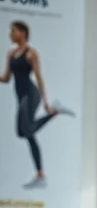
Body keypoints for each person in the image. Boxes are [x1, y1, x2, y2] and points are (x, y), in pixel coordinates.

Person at [0, 21, 73, 189]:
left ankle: (54, 112)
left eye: (13, 31)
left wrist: (46, 102)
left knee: (24, 131)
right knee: (26, 134)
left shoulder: (31, 54)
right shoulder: (10, 54)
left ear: (23, 33)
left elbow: (38, 77)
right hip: (20, 96)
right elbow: (6, 78)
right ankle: (40, 175)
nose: (10, 34)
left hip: (31, 95)